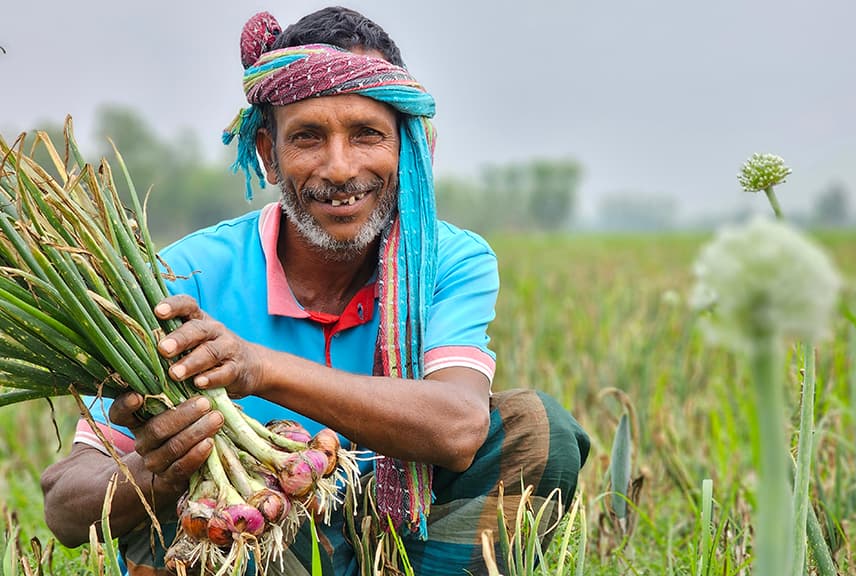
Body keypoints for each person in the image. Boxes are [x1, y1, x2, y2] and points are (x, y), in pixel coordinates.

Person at [40, 7, 589, 576]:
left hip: (392, 526)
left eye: (367, 135)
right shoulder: (184, 275)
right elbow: (65, 505)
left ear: (408, 146)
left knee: (538, 430)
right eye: (307, 138)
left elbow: (458, 426)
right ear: (267, 154)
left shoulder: (448, 260)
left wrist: (258, 368)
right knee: (222, 519)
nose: (339, 167)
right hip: (257, 533)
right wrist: (166, 470)